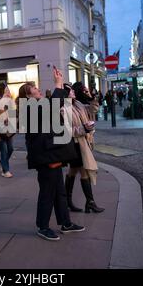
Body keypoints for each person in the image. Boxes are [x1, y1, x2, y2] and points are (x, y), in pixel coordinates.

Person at [17, 67, 85, 241]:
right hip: (45, 157)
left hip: (51, 154)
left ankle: (65, 223)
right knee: (47, 192)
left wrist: (60, 85)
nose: (39, 90)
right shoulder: (29, 109)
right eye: (35, 90)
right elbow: (52, 108)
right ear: (28, 97)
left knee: (59, 192)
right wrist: (57, 84)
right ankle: (42, 226)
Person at [65, 82, 104, 214]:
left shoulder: (78, 104)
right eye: (70, 91)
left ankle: (67, 201)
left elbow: (93, 110)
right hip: (74, 145)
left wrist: (91, 97)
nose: (74, 92)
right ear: (66, 94)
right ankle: (90, 202)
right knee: (85, 171)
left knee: (73, 172)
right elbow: (66, 130)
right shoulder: (63, 109)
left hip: (83, 142)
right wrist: (84, 128)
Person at [0, 83, 15, 178]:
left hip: (7, 128)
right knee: (4, 150)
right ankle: (5, 170)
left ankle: (2, 161)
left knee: (10, 149)